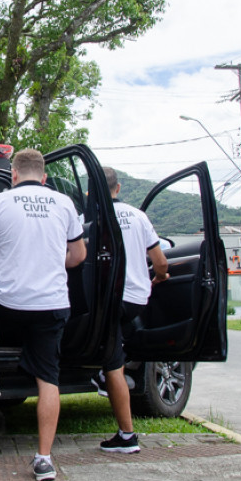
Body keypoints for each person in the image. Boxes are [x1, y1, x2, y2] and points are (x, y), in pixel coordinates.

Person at [0, 149, 86, 481]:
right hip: (52, 304)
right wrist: (50, 261)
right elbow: (78, 254)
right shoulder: (64, 204)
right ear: (44, 177)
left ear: (14, 175)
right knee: (49, 379)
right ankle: (44, 460)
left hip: (10, 302)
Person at [91, 167, 169, 454]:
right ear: (118, 188)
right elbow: (160, 262)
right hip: (136, 298)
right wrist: (160, 278)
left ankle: (127, 435)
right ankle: (105, 369)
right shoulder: (139, 217)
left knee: (112, 365)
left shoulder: (91, 218)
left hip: (105, 300)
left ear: (92, 191)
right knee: (115, 344)